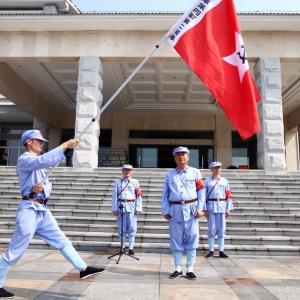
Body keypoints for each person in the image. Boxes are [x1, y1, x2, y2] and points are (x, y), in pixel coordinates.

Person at [0, 130, 106, 299]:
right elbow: (42, 161)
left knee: (61, 239)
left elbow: (48, 186)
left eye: (42, 141)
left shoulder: (39, 167)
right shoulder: (25, 160)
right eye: (38, 141)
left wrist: (42, 188)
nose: (41, 143)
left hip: (42, 210)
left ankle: (83, 269)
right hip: (28, 209)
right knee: (16, 249)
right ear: (28, 142)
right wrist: (64, 146)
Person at [161, 146, 206, 280]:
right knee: (176, 239)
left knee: (192, 239)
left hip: (191, 210)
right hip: (175, 211)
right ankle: (178, 268)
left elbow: (201, 191)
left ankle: (190, 269)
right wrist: (165, 209)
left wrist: (200, 208)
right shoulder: (169, 174)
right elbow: (165, 194)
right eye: (178, 154)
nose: (181, 157)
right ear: (174, 158)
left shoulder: (195, 172)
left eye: (183, 154)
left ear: (188, 157)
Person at [204, 161, 234, 259]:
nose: (217, 170)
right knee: (212, 229)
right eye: (215, 168)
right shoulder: (207, 181)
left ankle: (221, 251)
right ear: (211, 169)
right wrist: (204, 209)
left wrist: (228, 208)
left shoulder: (225, 181)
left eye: (219, 168)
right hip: (211, 206)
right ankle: (211, 251)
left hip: (222, 206)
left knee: (221, 230)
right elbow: (203, 196)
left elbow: (228, 195)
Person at [111, 164, 142, 255]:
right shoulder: (118, 182)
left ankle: (131, 248)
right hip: (121, 205)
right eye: (125, 170)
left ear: (132, 171)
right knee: (122, 228)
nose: (127, 171)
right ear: (122, 171)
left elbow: (138, 196)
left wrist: (138, 207)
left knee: (132, 227)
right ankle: (122, 247)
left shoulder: (135, 182)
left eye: (129, 170)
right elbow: (114, 196)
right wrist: (114, 208)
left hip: (131, 206)